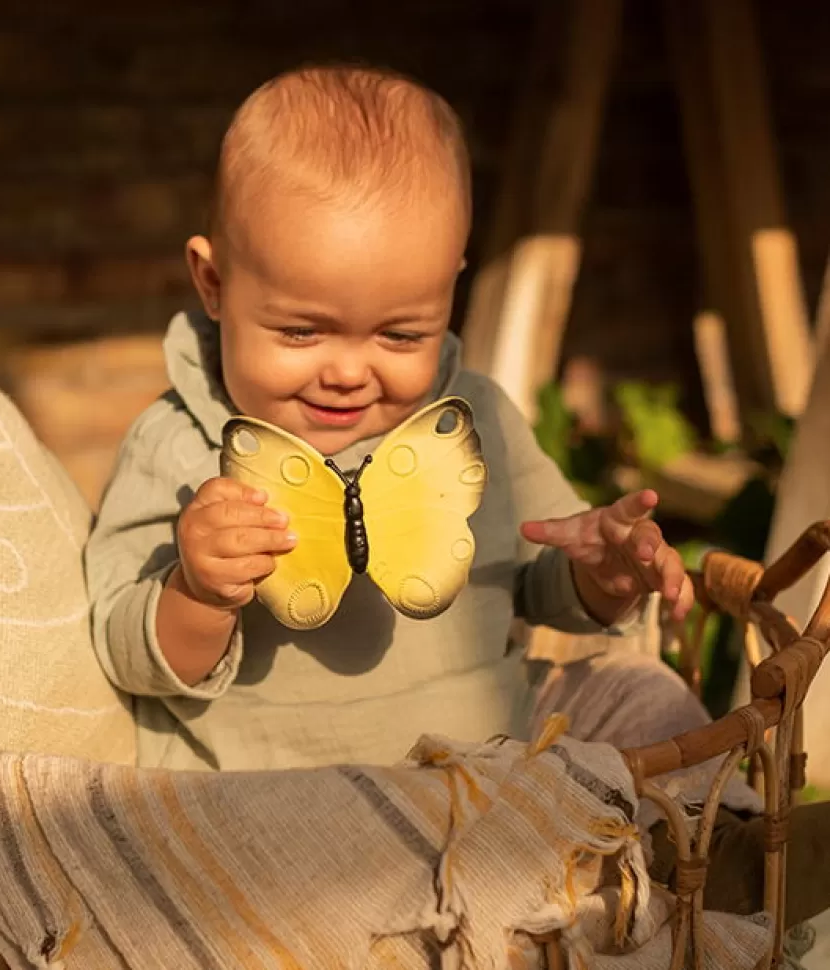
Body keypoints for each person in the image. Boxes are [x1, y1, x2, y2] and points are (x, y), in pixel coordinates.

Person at [85, 64, 830, 925]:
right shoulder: (177, 444)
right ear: (213, 285)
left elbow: (538, 577)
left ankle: (725, 849)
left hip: (494, 766)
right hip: (283, 798)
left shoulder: (470, 417)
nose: (348, 370)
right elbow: (125, 650)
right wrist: (196, 590)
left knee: (640, 691)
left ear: (451, 286)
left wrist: (600, 574)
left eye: (401, 332)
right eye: (300, 330)